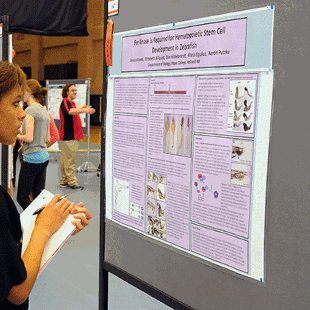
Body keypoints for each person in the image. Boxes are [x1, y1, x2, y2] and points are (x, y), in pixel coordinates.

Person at [0, 61, 92, 309]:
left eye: (21, 102)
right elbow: (16, 292)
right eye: (14, 103)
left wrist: (53, 223)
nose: (21, 112)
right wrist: (42, 230)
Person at [16, 79, 50, 210]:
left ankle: (34, 221)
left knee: (22, 197)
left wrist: (17, 135)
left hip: (32, 158)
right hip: (44, 157)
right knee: (38, 196)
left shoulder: (29, 111)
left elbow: (29, 138)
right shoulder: (44, 111)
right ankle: (41, 219)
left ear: (28, 92)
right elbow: (47, 138)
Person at [59, 83, 95, 190]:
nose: (75, 92)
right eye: (72, 90)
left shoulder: (71, 103)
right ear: (67, 92)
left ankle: (64, 180)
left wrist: (81, 108)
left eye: (75, 90)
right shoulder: (66, 101)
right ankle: (72, 182)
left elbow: (72, 110)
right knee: (70, 161)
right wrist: (85, 110)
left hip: (70, 136)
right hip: (69, 137)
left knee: (66, 160)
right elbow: (70, 111)